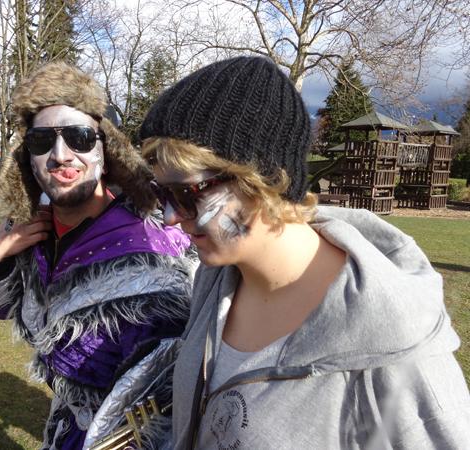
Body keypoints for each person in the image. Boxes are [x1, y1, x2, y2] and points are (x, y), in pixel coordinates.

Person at [139, 56, 470, 449]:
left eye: (185, 193)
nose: (170, 217)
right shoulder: (215, 283)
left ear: (263, 179)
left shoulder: (397, 350)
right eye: (161, 193)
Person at [0, 62, 195, 450]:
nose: (60, 155)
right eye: (42, 141)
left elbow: (168, 406)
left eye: (79, 137)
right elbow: (10, 307)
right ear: (27, 159)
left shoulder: (154, 252)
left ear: (106, 151)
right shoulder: (31, 234)